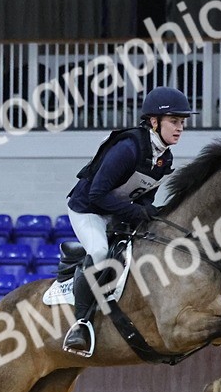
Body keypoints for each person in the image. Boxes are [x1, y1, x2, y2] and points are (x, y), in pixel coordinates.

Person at [60, 86, 196, 356]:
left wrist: (148, 213)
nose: (180, 128)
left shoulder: (164, 158)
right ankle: (81, 323)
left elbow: (143, 197)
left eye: (182, 122)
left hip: (117, 211)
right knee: (100, 251)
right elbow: (97, 194)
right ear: (154, 121)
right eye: (174, 121)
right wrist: (136, 212)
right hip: (88, 209)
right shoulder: (128, 148)